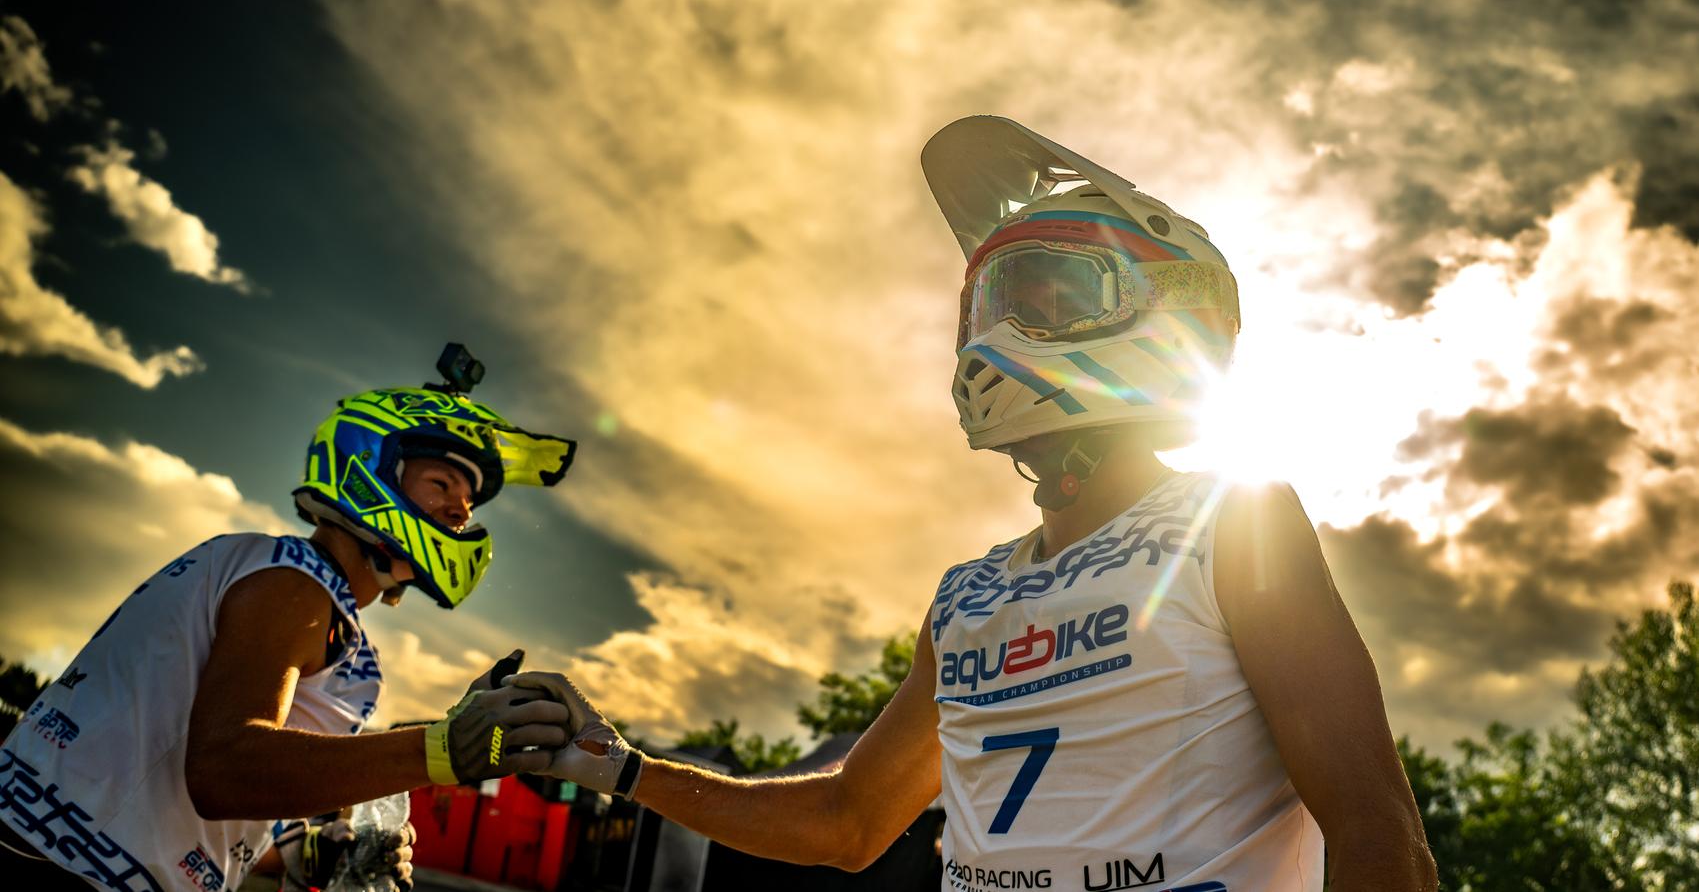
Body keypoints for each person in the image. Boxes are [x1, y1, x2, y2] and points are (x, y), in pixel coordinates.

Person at [514, 118, 1438, 891]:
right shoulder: (967, 593)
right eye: (985, 303)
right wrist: (619, 764)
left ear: (1166, 311)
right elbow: (846, 819)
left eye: (1040, 294)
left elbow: (1378, 832)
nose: (993, 333)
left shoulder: (1235, 522)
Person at [0, 345, 579, 891]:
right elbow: (224, 772)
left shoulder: (322, 612)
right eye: (442, 483)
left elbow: (214, 820)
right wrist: (438, 750)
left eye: (470, 502)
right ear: (370, 466)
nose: (461, 510)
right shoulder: (295, 581)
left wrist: (312, 850)